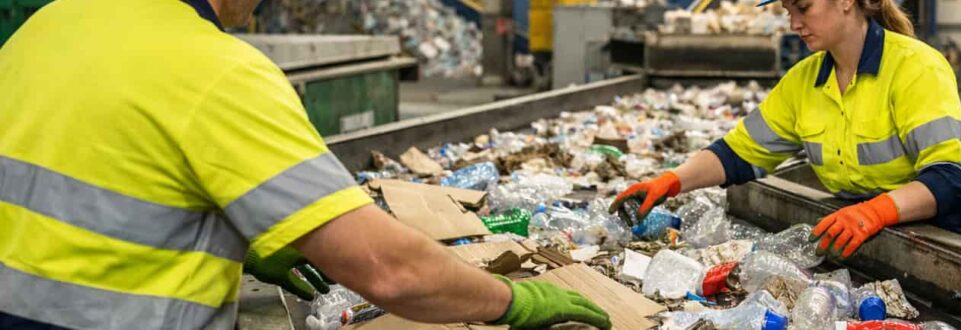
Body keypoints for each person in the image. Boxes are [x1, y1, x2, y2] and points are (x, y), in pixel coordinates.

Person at [0, 0, 610, 329]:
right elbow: (390, 272)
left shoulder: (49, 23)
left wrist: (250, 235)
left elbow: (94, 174)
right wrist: (515, 301)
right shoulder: (215, 71)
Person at [611, 0, 961, 258]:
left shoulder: (916, 68)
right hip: (890, 240)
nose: (794, 23)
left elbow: (954, 176)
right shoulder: (804, 81)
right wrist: (672, 181)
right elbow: (739, 153)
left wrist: (873, 211)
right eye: (788, 11)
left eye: (802, 8)